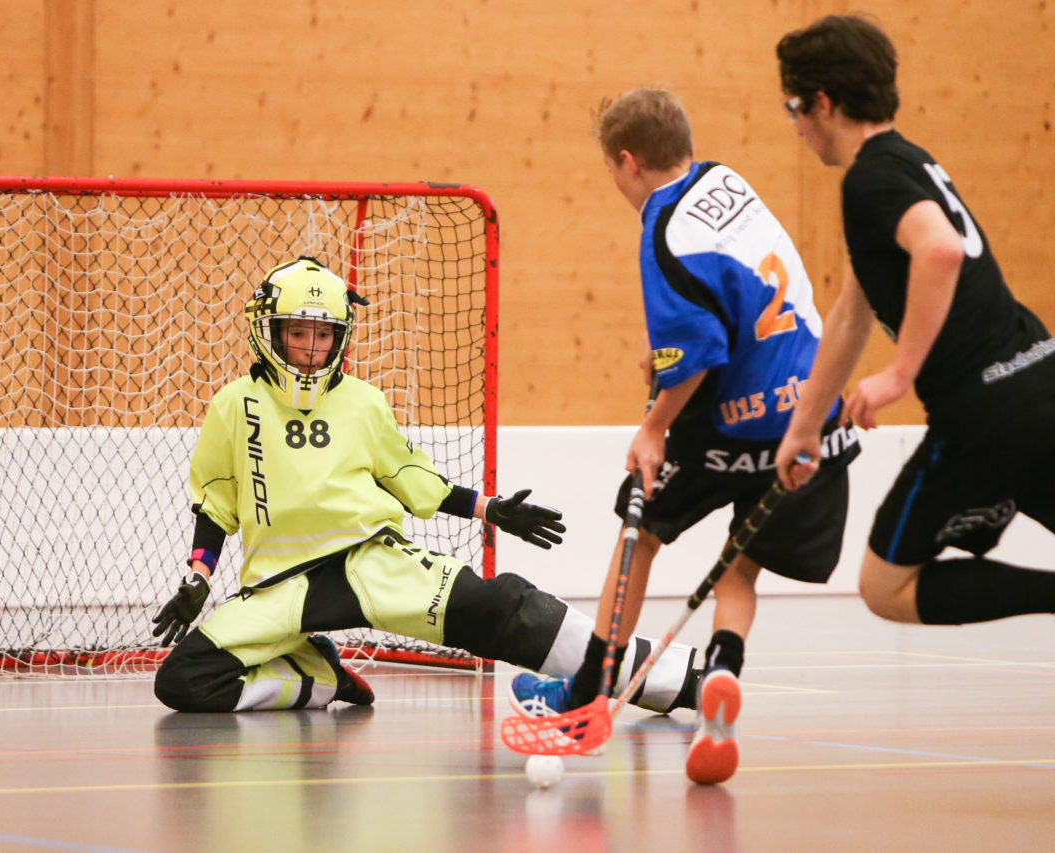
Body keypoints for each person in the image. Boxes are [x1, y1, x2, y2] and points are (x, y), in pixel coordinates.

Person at [150, 255, 701, 714]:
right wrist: (198, 578)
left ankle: (675, 680)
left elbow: (415, 481)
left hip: (372, 562)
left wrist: (491, 509)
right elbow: (216, 506)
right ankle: (318, 678)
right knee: (182, 681)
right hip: (279, 586)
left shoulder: (364, 402)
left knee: (502, 605)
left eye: (324, 335)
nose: (312, 348)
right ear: (269, 330)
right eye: (299, 333)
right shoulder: (232, 407)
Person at [511, 88, 858, 785]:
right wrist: (664, 355)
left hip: (733, 415)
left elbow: (699, 352)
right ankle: (723, 667)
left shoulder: (661, 231)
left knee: (639, 533)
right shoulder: (727, 181)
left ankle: (586, 694)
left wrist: (652, 427)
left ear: (627, 161)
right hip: (812, 407)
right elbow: (731, 302)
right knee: (741, 563)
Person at [773, 16, 1055, 630]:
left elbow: (941, 249)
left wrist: (899, 374)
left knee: (885, 586)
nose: (795, 126)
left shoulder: (870, 180)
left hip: (983, 414)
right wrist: (804, 427)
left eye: (795, 107)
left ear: (825, 103)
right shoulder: (908, 163)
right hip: (1039, 375)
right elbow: (852, 314)